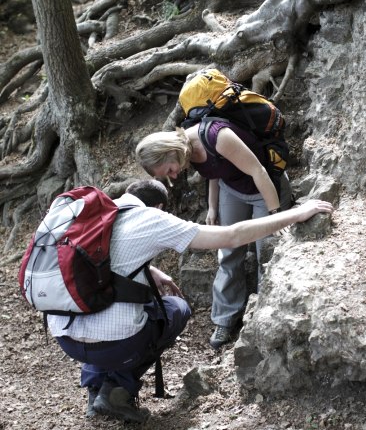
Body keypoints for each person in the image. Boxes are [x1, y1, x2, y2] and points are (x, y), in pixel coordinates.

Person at [47, 179, 333, 424]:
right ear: (158, 207)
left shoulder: (91, 216)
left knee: (112, 310)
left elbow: (91, 266)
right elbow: (232, 235)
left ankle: (95, 390)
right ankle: (116, 390)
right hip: (114, 345)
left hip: (65, 337)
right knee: (176, 309)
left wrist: (152, 271)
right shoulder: (151, 218)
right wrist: (296, 214)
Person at [136, 123, 292, 350]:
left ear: (169, 151)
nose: (175, 175)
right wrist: (212, 207)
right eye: (168, 176)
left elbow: (258, 170)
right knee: (228, 253)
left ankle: (263, 314)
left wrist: (276, 214)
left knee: (265, 253)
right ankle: (225, 319)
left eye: (170, 170)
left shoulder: (216, 136)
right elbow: (214, 171)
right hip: (233, 188)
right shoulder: (187, 151)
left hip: (265, 187)